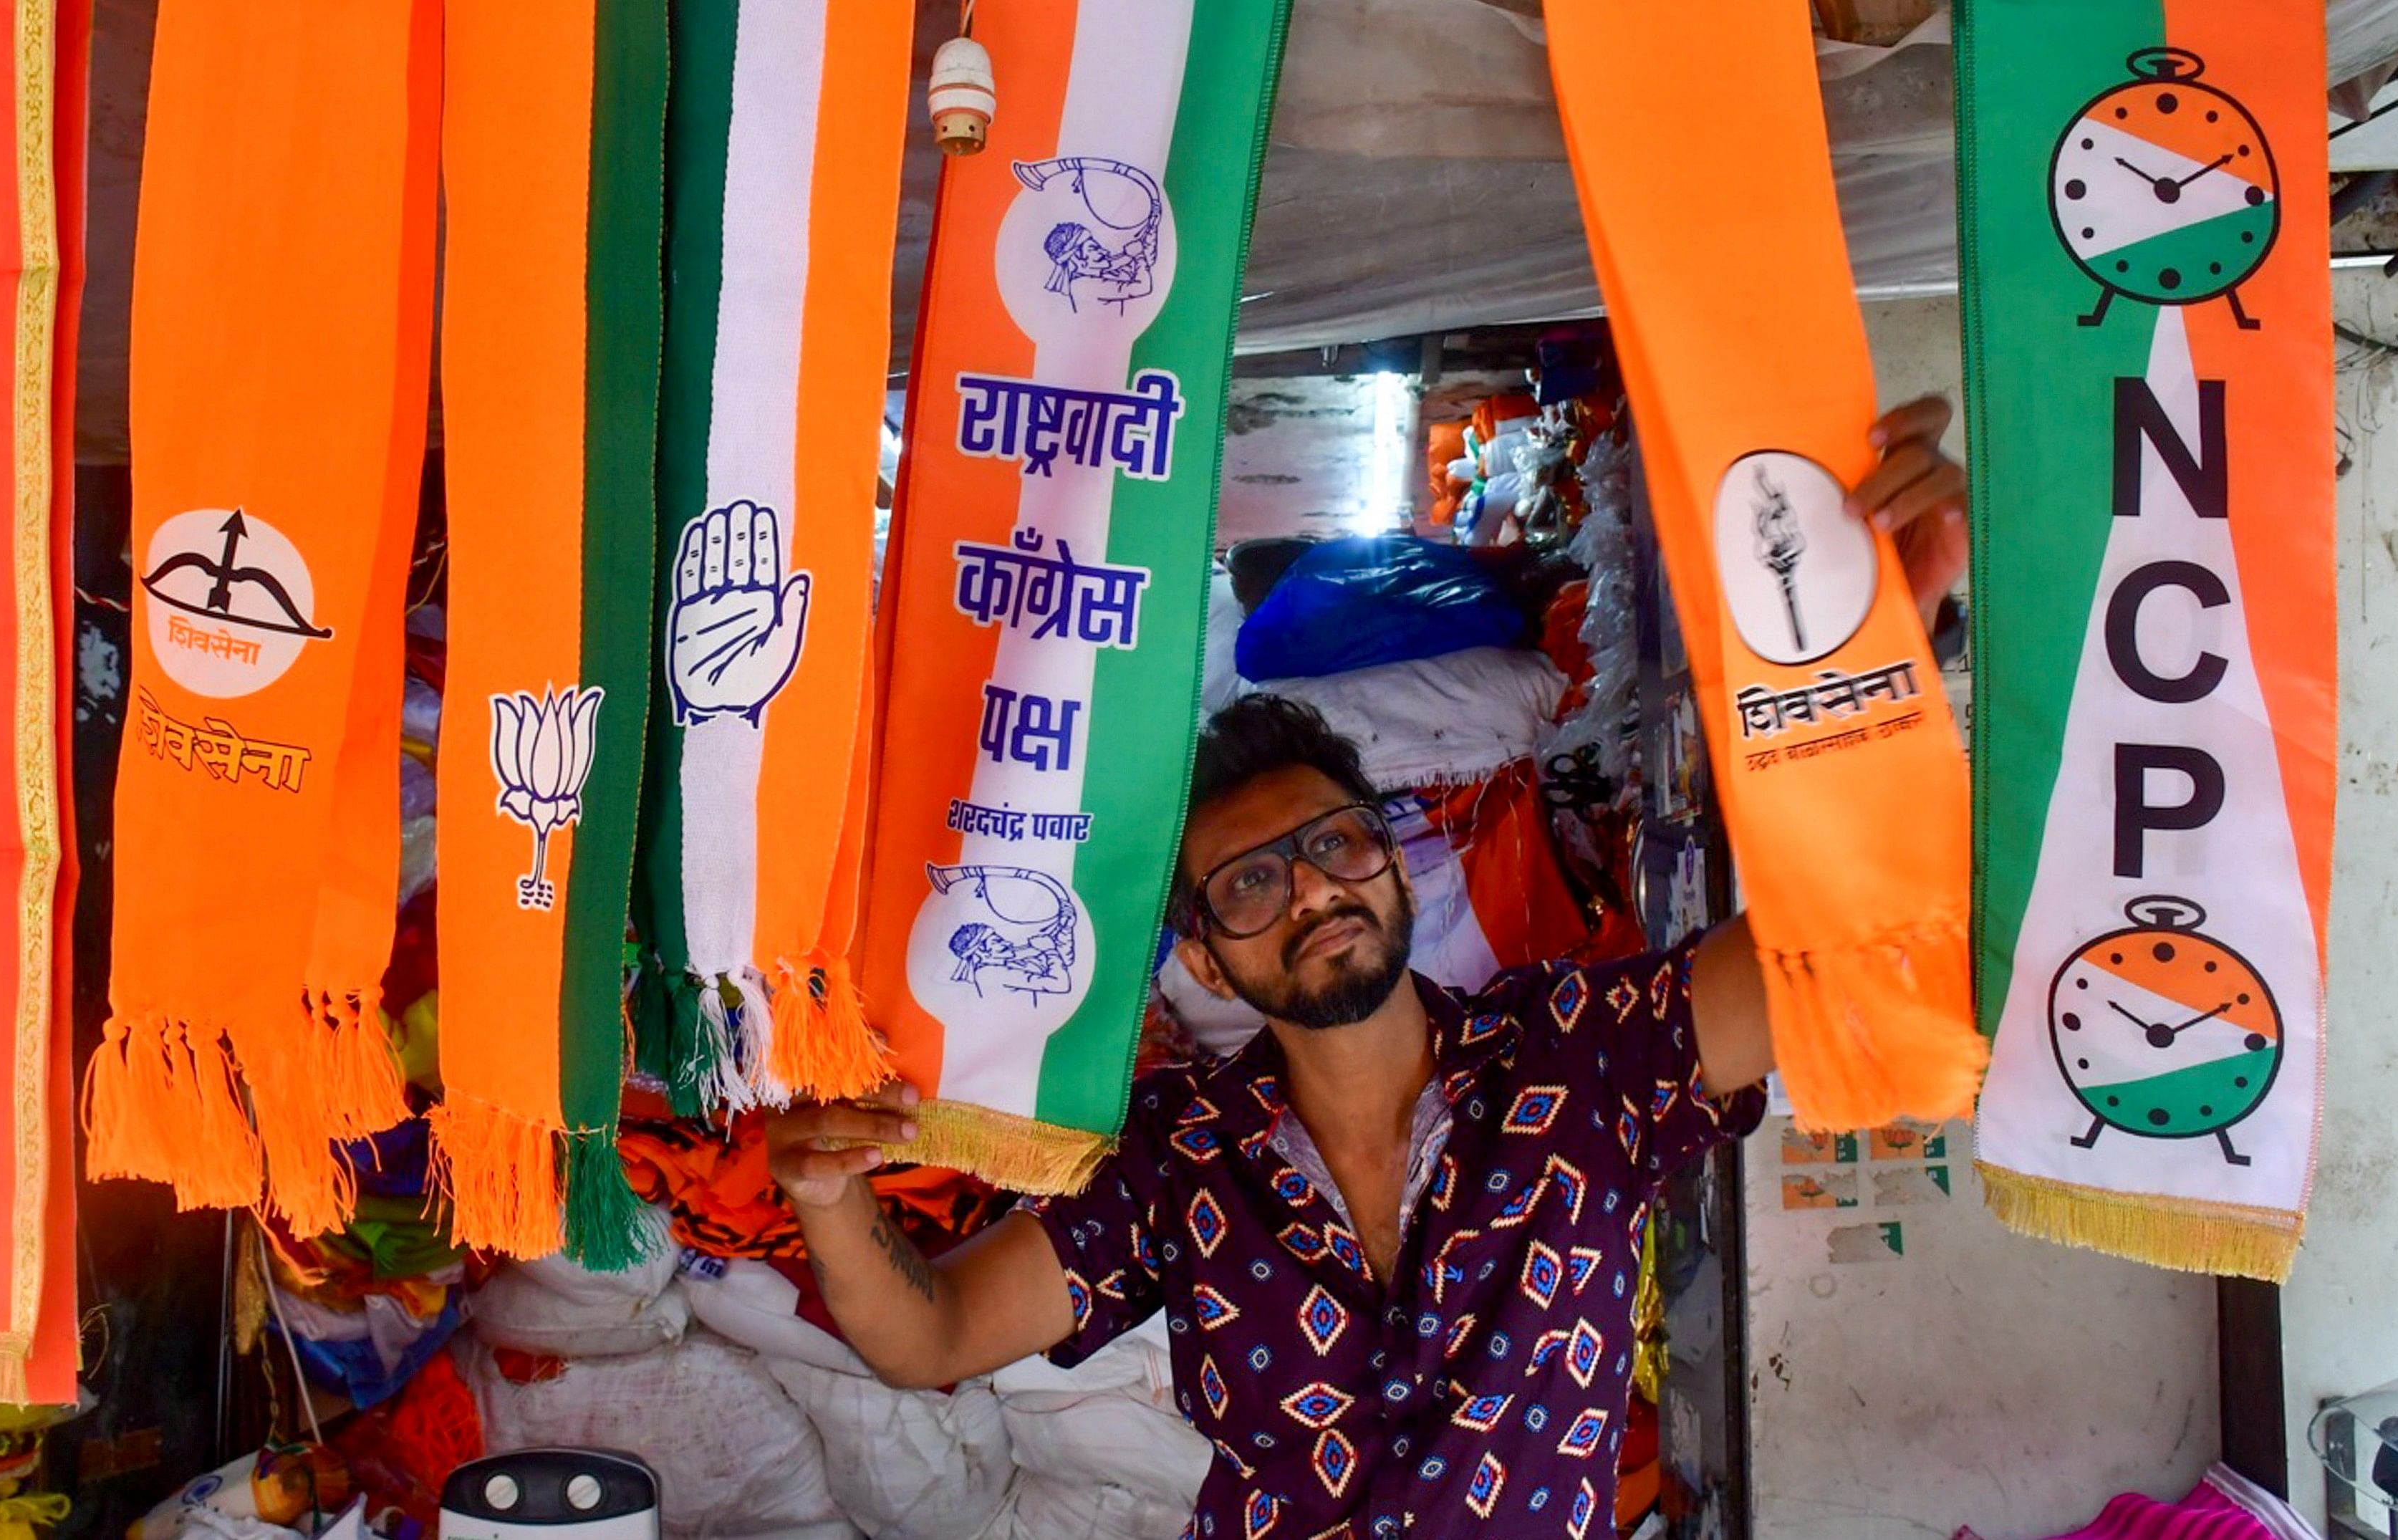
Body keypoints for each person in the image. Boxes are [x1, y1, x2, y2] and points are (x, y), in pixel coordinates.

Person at [767, 398, 1971, 1538]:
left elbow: (1831, 952)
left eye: (1334, 843)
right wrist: (828, 1201)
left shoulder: (1579, 1057)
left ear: (1394, 866)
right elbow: (929, 1340)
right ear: (1205, 958)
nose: (1310, 887)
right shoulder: (1174, 1163)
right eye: (1248, 882)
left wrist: (1885, 671)